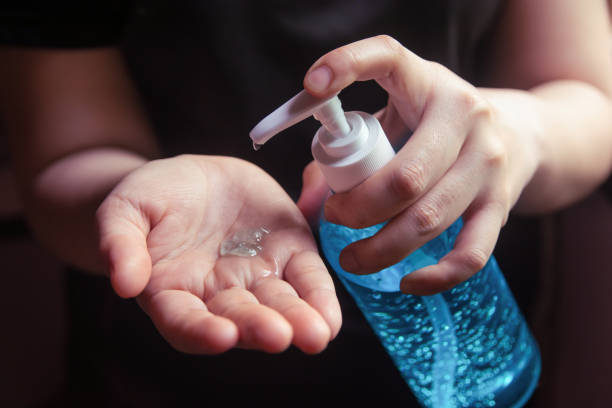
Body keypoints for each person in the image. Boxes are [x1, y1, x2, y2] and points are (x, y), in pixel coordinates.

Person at [1, 0, 611, 406]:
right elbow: (60, 157)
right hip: (176, 363)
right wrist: (131, 200)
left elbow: (590, 99)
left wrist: (516, 131)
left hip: (502, 361)